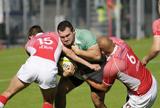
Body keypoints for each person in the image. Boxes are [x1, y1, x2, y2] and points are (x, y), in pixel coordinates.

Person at [0, 25, 63, 108]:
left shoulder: (30, 41)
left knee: (8, 93)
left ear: (30, 36)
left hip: (32, 65)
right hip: (49, 68)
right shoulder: (54, 35)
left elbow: (28, 51)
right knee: (48, 102)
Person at [85, 36, 158, 108]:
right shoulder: (120, 42)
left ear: (103, 52)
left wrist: (85, 78)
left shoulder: (112, 66)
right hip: (150, 81)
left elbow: (104, 88)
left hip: (142, 96)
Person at [55, 20, 107, 108]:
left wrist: (79, 52)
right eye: (62, 37)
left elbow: (97, 56)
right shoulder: (58, 43)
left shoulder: (85, 35)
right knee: (59, 91)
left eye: (68, 35)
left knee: (97, 100)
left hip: (95, 69)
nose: (65, 39)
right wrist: (64, 73)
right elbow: (52, 67)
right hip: (77, 71)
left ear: (73, 32)